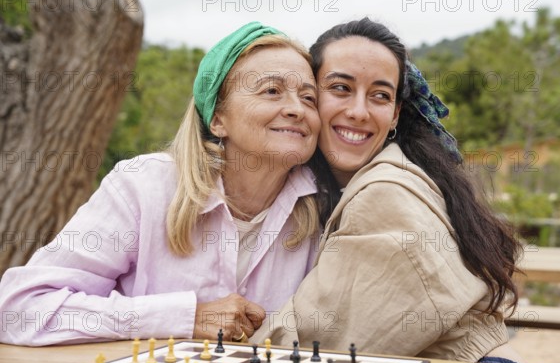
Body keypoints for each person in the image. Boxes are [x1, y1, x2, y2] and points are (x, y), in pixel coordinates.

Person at [0, 22, 322, 346]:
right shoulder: (143, 187)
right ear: (217, 119)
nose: (297, 109)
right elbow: (21, 310)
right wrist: (183, 318)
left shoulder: (326, 208)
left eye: (309, 98)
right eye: (271, 91)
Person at [253, 18, 526, 363]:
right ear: (311, 96)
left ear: (395, 114)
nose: (358, 111)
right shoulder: (322, 186)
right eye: (340, 88)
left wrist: (223, 339)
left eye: (380, 95)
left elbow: (316, 344)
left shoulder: (386, 192)